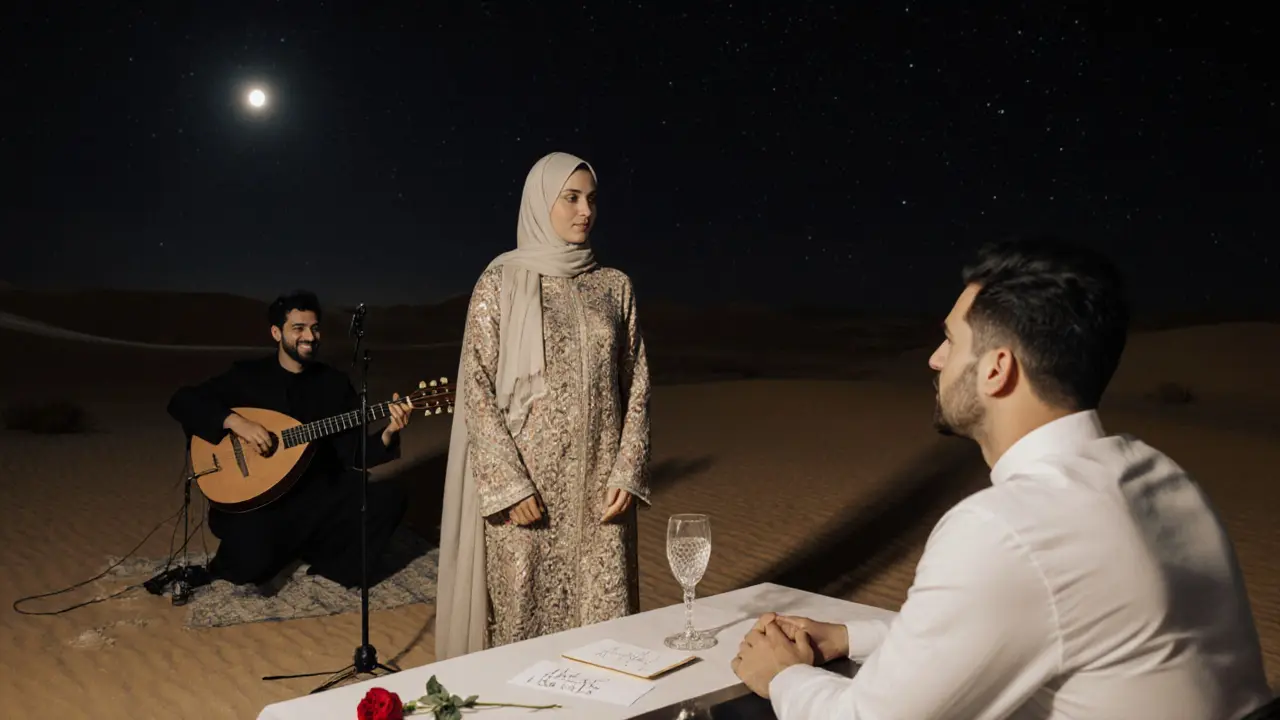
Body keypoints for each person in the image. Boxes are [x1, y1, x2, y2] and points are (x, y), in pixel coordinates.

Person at [732, 238, 1274, 719]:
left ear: (996, 369)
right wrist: (852, 637)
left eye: (950, 340)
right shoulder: (1163, 478)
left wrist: (781, 673)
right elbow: (1020, 620)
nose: (934, 359)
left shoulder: (1005, 528)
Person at [434, 151, 651, 659]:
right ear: (540, 203)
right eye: (570, 198)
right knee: (522, 640)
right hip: (527, 500)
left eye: (592, 200)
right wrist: (509, 486)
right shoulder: (500, 282)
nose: (585, 212)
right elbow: (476, 387)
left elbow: (636, 381)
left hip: (602, 498)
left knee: (607, 642)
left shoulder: (614, 286)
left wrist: (627, 469)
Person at [167, 290, 412, 589]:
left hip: (318, 496)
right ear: (276, 332)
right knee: (246, 571)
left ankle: (328, 562)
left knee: (390, 496)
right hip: (264, 502)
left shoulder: (333, 384)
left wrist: (389, 432)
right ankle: (280, 546)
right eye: (298, 328)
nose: (309, 336)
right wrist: (236, 422)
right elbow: (183, 400)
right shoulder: (247, 375)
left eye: (315, 327)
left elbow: (354, 454)